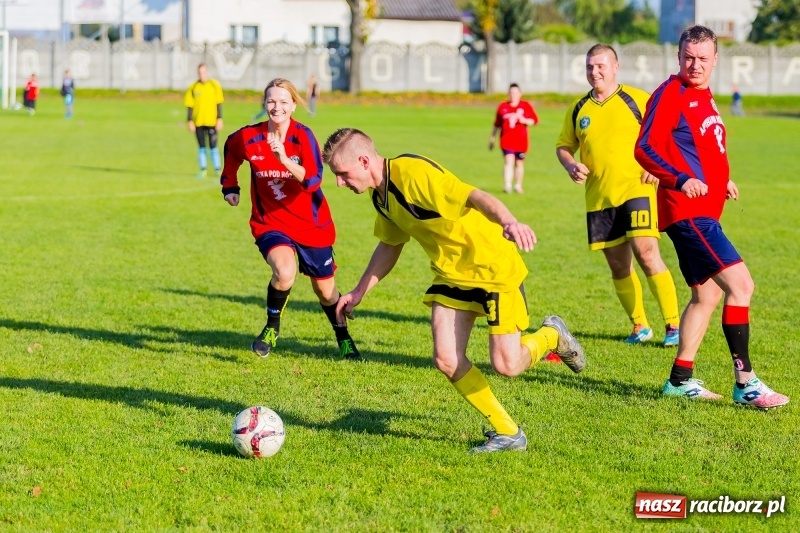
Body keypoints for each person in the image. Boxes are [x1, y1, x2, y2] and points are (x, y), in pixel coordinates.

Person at [322, 127, 586, 453]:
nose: (339, 182)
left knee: (507, 365)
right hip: (451, 273)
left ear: (363, 161)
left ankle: (551, 335)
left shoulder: (413, 175)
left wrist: (509, 222)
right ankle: (509, 433)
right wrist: (360, 291)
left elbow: (473, 195)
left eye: (342, 174)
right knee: (446, 359)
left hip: (491, 267)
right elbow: (390, 244)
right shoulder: (381, 197)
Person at [634, 25, 788, 408]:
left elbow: (699, 146)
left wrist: (723, 181)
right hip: (687, 213)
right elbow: (645, 147)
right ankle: (746, 383)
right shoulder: (671, 92)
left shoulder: (704, 94)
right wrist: (680, 178)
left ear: (716, 59)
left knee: (707, 293)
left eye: (703, 58)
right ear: (678, 56)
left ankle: (680, 380)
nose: (695, 64)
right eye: (688, 57)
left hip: (706, 209)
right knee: (742, 285)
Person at [220, 78, 360, 360]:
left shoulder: (303, 137)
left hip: (312, 225)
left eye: (284, 102)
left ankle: (343, 337)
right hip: (269, 222)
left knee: (325, 292)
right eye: (271, 101)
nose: (277, 107)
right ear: (264, 103)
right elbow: (232, 150)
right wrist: (230, 186)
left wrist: (284, 159)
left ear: (294, 105)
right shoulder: (249, 137)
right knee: (284, 273)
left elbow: (313, 181)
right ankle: (272, 328)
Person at [556, 44, 680, 347]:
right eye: (589, 67)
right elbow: (563, 146)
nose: (594, 72)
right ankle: (640, 325)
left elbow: (669, 133)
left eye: (600, 65)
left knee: (647, 253)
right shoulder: (579, 109)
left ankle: (674, 326)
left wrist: (657, 166)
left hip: (636, 188)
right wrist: (571, 164)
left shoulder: (637, 99)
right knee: (618, 265)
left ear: (615, 67)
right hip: (599, 198)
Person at [489, 83, 538, 194]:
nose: (513, 95)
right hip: (506, 140)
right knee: (508, 161)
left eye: (515, 92)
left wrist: (524, 120)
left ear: (520, 94)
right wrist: (492, 138)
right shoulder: (503, 107)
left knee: (519, 163)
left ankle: (518, 185)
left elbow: (534, 120)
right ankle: (507, 185)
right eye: (511, 92)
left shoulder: (525, 106)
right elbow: (496, 125)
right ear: (508, 94)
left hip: (521, 141)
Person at [184, 63, 224, 179]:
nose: (202, 75)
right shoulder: (193, 87)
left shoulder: (214, 85)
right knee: (201, 147)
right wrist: (189, 121)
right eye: (199, 73)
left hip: (212, 121)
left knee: (213, 146)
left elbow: (219, 103)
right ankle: (203, 169)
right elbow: (189, 105)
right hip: (198, 122)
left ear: (207, 72)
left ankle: (217, 169)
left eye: (203, 72)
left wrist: (219, 118)